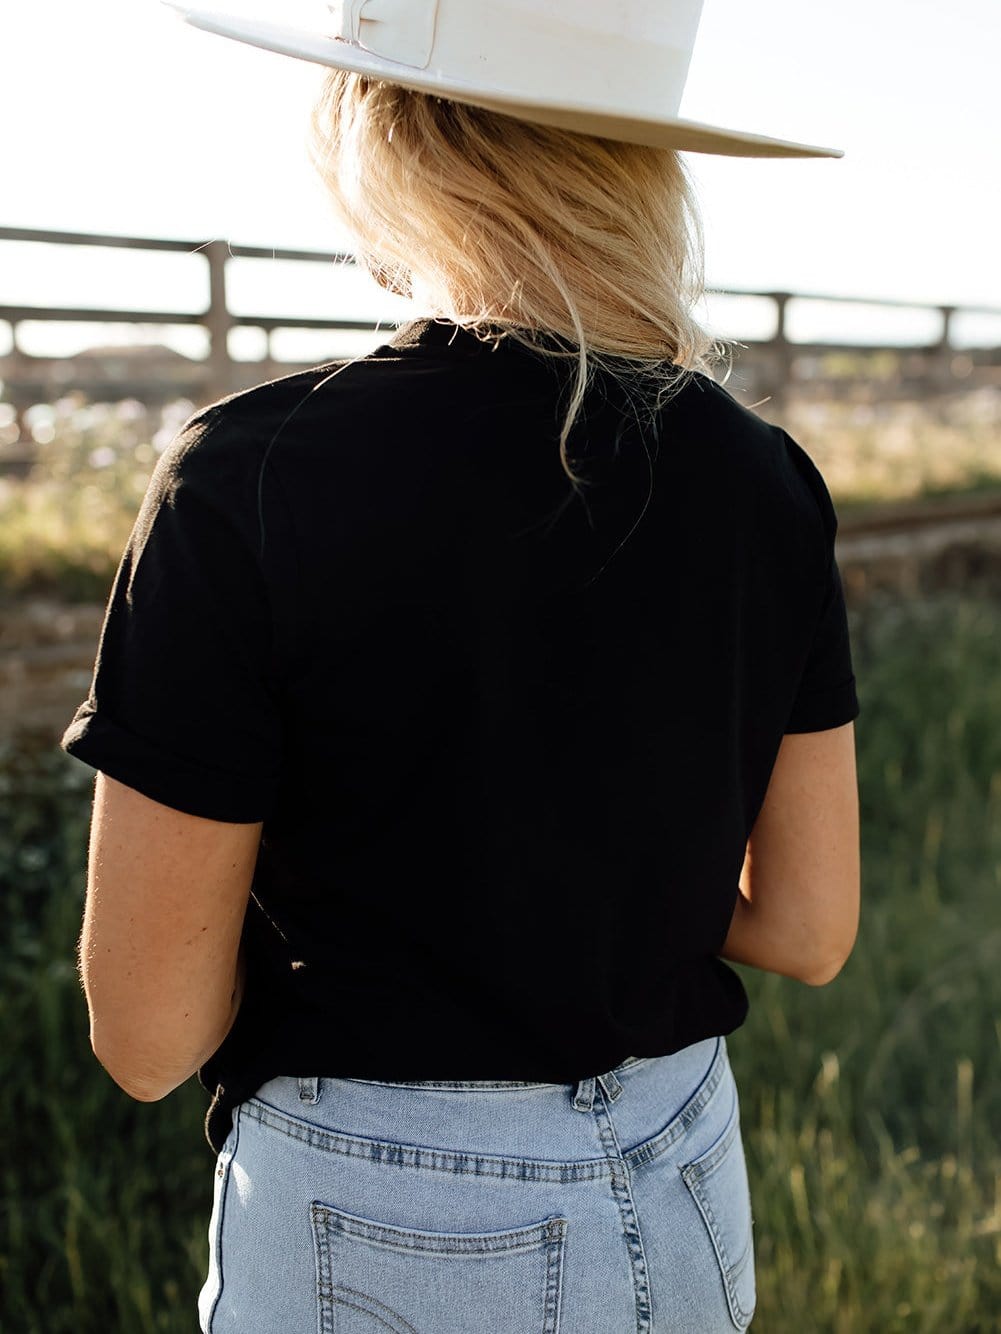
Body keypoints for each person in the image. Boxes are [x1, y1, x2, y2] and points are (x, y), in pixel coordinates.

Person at [61, 2, 860, 1330]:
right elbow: (809, 925)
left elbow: (147, 1037)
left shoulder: (247, 479)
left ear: (389, 137)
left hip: (380, 1219)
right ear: (640, 164)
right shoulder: (763, 478)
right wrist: (589, 894)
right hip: (683, 1177)